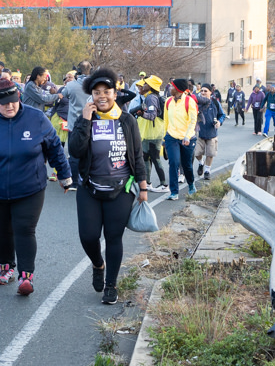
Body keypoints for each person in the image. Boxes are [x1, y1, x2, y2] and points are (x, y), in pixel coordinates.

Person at [0, 79, 73, 295]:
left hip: (30, 186)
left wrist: (65, 175)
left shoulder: (36, 118)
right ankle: (6, 267)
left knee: (25, 229)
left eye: (14, 101)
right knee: (3, 230)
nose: (10, 106)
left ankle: (26, 276)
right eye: (4, 102)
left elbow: (54, 147)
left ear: (19, 97)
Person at [68, 68, 148, 305]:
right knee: (88, 236)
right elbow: (75, 150)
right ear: (91, 95)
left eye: (107, 91)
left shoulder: (127, 120)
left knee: (114, 237)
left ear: (115, 93)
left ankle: (111, 285)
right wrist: (85, 120)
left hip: (120, 190)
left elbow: (137, 154)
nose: (102, 96)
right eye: (97, 92)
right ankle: (97, 264)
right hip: (89, 188)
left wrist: (143, 187)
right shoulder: (86, 118)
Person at [163, 78, 198, 201]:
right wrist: (164, 137)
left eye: (172, 87)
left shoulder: (189, 101)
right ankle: (174, 192)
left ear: (178, 89)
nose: (170, 89)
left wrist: (187, 136)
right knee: (173, 162)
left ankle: (191, 184)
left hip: (186, 138)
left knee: (187, 164)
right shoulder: (168, 102)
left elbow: (193, 121)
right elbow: (165, 121)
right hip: (171, 137)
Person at [134, 75, 167, 192]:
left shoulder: (151, 98)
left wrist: (142, 114)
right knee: (146, 158)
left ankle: (164, 185)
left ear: (151, 86)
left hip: (153, 133)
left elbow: (152, 115)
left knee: (155, 158)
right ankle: (148, 183)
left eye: (146, 84)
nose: (144, 85)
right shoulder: (151, 96)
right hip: (151, 132)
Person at [194, 84, 225, 180]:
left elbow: (222, 115)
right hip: (199, 132)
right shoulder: (196, 103)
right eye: (202, 90)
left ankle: (207, 170)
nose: (203, 92)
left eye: (205, 91)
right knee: (197, 153)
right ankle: (201, 163)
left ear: (210, 92)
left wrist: (219, 122)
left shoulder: (215, 103)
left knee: (210, 153)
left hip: (212, 132)